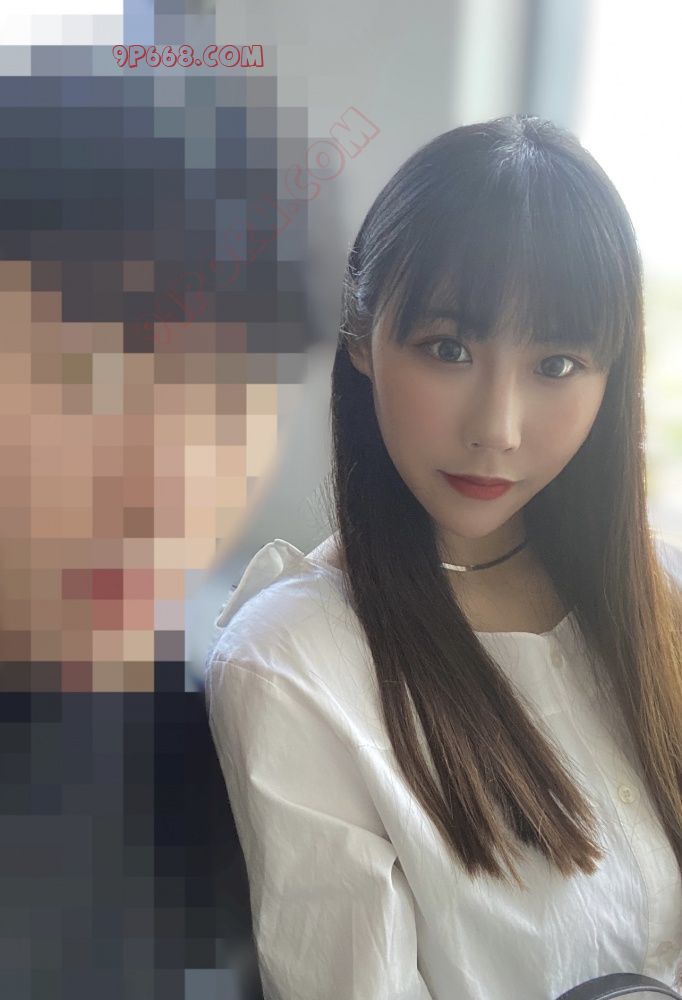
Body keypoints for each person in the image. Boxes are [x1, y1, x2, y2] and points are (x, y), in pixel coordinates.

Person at [204, 115, 682, 1000]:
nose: (497, 428)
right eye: (449, 349)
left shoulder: (665, 594)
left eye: (557, 364)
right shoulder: (297, 666)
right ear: (361, 337)